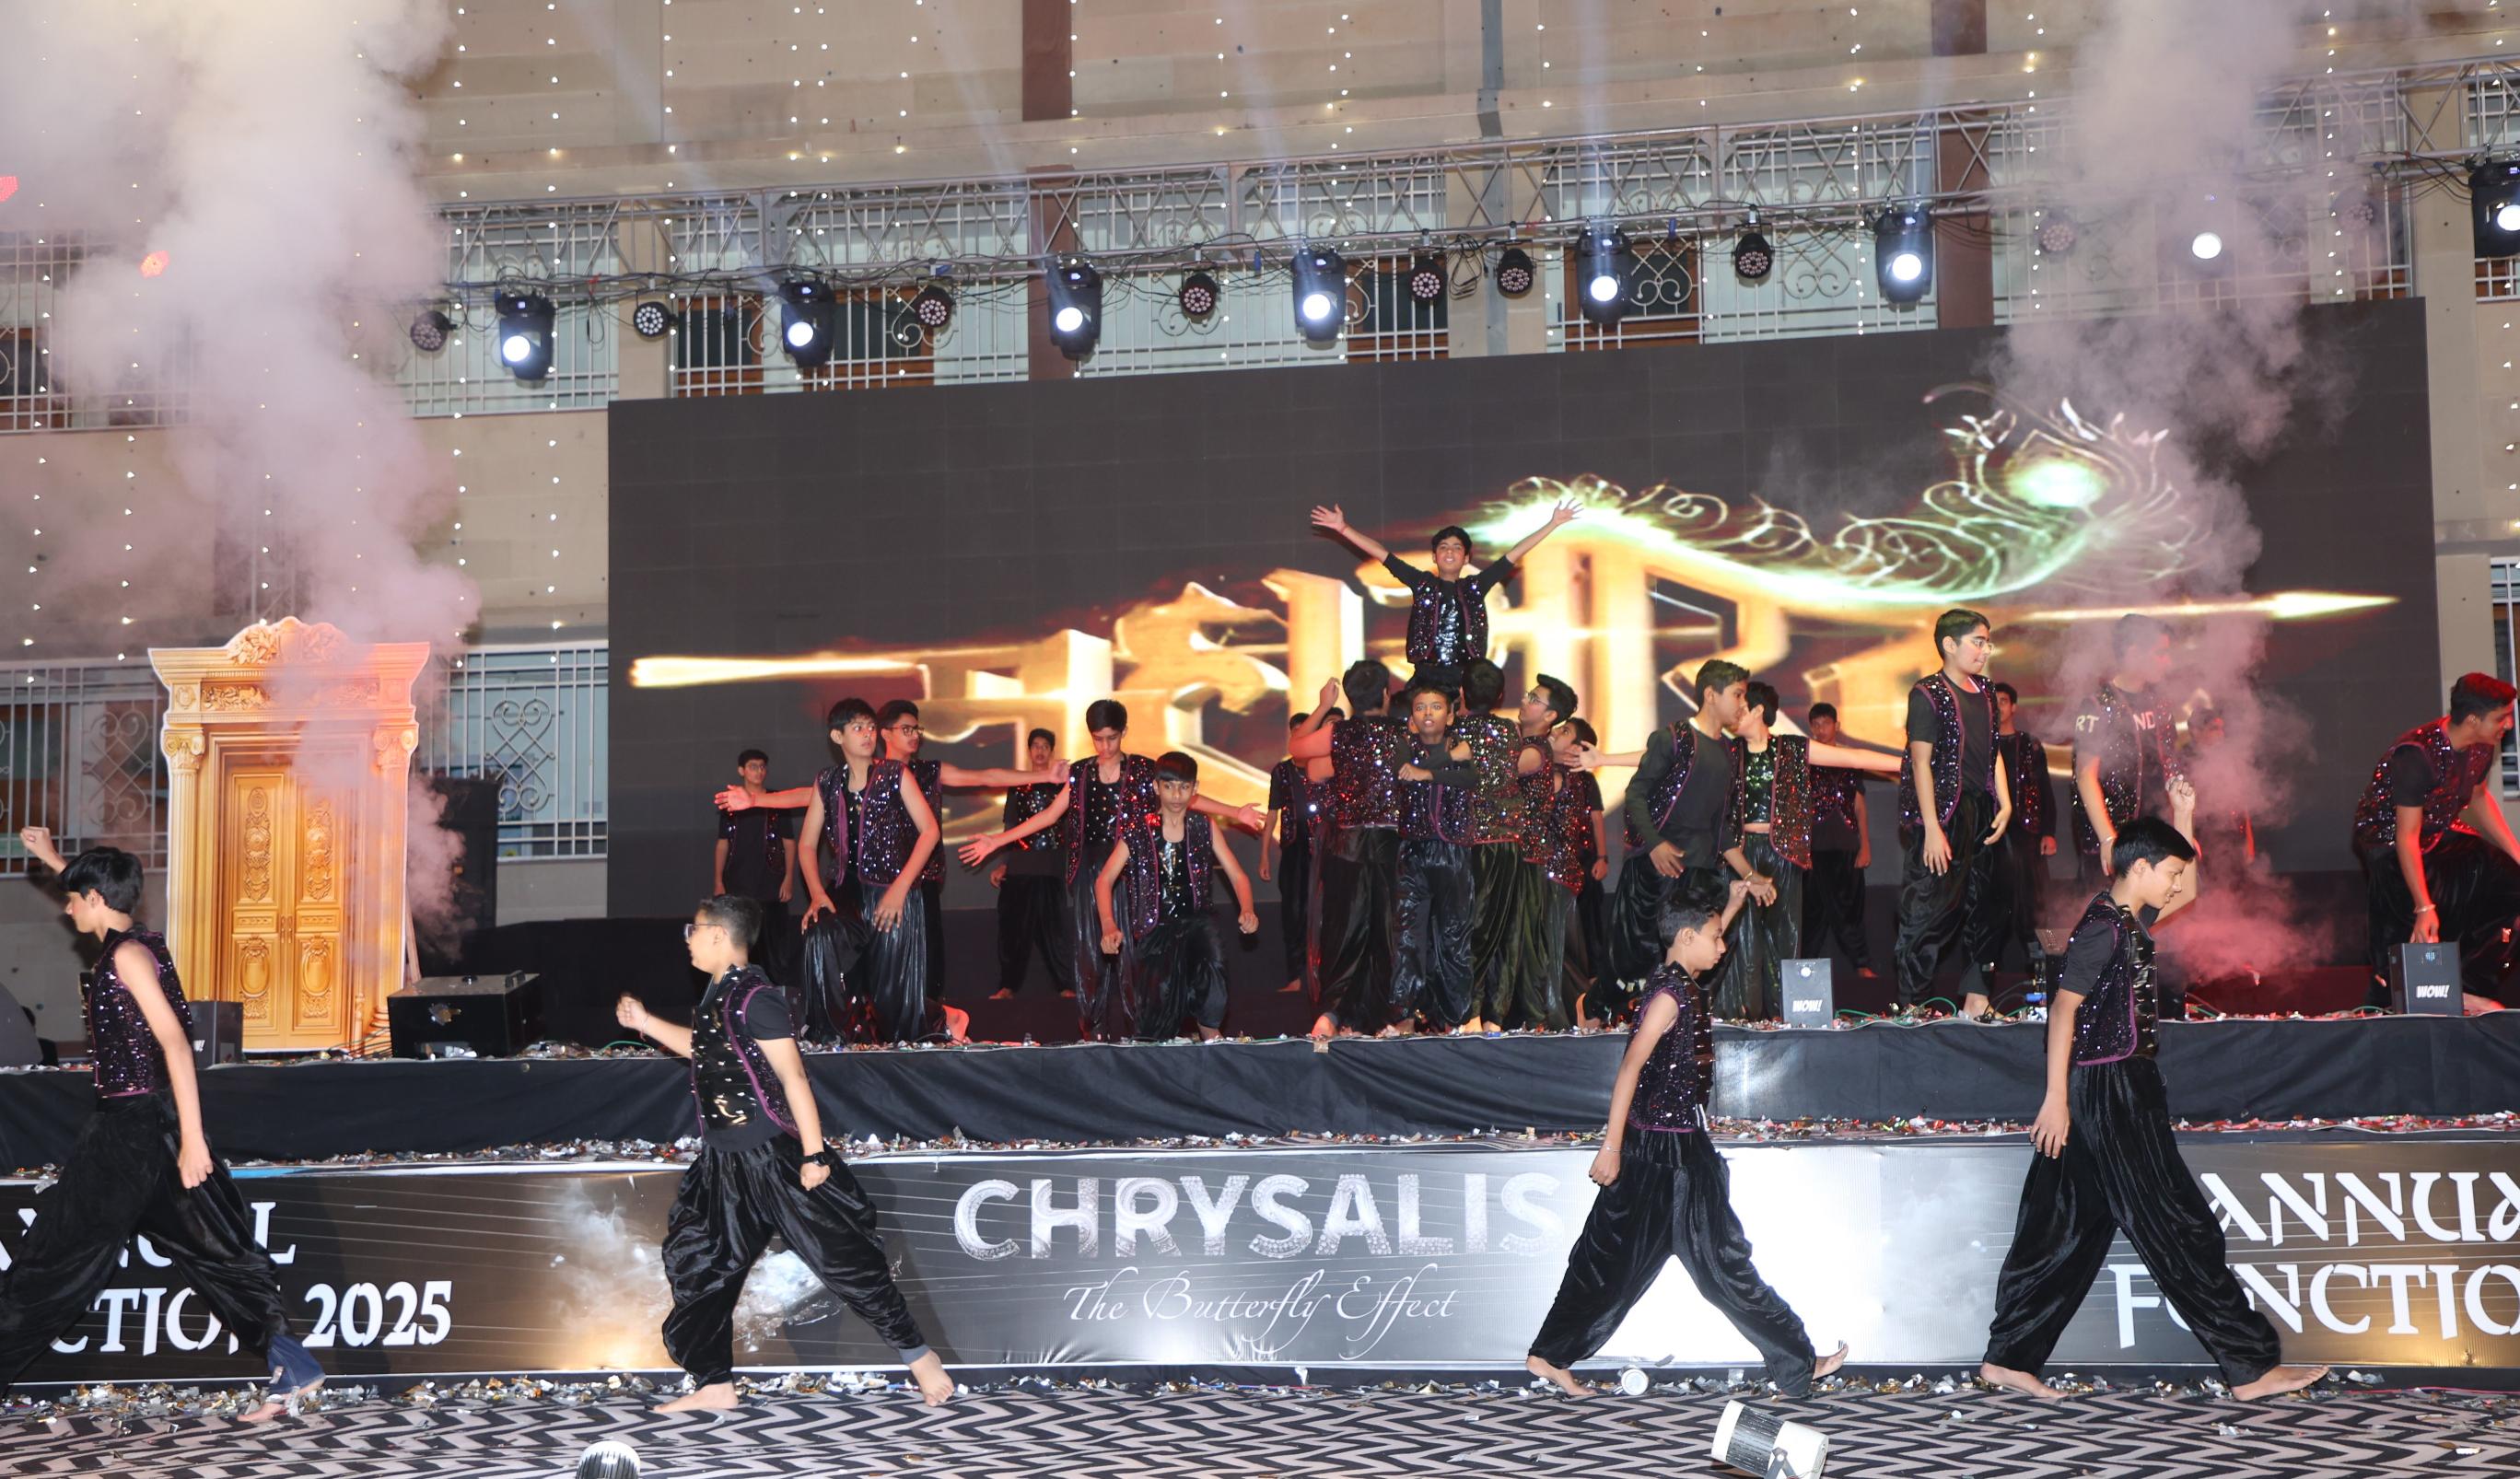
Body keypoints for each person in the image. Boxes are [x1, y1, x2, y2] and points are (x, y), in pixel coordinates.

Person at [1978, 809, 2328, 1403]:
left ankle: (2008, 1359)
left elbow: (2188, 892)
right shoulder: (2102, 929)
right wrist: (2056, 1100)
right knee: (2179, 1225)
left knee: (2062, 1229)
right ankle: (2249, 1367)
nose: (2174, 884)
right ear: (2139, 868)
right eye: (2167, 872)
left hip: (2115, 1088)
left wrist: (2184, 818)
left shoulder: (2126, 917)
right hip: (2109, 1093)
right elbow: (2062, 1011)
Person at [2, 830, 323, 1421]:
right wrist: (51, 858)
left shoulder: (125, 956)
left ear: (96, 899)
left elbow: (175, 1044)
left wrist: (194, 1141)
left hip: (130, 1132)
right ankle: (292, 1363)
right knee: (219, 1251)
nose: (67, 909)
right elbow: (93, 888)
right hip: (154, 1127)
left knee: (52, 1262)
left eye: (73, 898)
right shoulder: (142, 941)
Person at [615, 895, 954, 1414]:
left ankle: (920, 1358)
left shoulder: (756, 998)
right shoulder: (717, 994)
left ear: (719, 935)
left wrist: (814, 1156)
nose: (687, 939)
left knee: (843, 1257)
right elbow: (704, 1051)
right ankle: (715, 1383)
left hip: (773, 1158)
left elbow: (794, 1077)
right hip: (724, 1163)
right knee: (699, 1265)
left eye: (693, 929)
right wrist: (645, 1021)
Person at [1525, 875, 1849, 1399]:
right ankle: (1549, 1355)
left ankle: (1796, 1361)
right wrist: (1611, 1148)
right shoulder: (1666, 998)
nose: (1723, 948)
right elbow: (1629, 1069)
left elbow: (1703, 942)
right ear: (1686, 938)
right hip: (1653, 1156)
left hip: (1684, 1151)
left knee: (1721, 1262)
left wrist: (1733, 904)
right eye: (1716, 937)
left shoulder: (1682, 982)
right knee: (1611, 1263)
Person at [956, 700, 1261, 1042]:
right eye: (1098, 739)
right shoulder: (1081, 773)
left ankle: (1141, 1033)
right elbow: (1049, 816)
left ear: (1124, 733)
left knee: (1134, 955)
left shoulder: (1144, 770)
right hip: (1092, 869)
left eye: (1111, 738)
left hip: (1135, 871)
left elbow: (1185, 796)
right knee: (1092, 953)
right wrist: (997, 841)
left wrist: (1236, 812)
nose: (1105, 746)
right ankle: (1093, 1034)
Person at [1593, 659, 1770, 997]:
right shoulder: (1673, 739)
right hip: (1656, 874)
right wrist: (1655, 843)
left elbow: (1721, 827)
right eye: (1737, 694)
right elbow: (1636, 794)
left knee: (1705, 958)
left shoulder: (1729, 752)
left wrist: (1751, 876)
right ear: (1711, 695)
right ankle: (1595, 1010)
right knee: (1635, 967)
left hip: (1700, 874)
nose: (1743, 704)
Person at [872, 700, 1068, 1001]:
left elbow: (987, 777)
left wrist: (1045, 776)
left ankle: (930, 1021)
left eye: (917, 729)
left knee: (928, 960)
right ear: (886, 733)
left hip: (923, 881)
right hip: (879, 884)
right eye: (906, 729)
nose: (914, 735)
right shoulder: (870, 774)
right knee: (882, 962)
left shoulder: (930, 771)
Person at [1727, 683, 1900, 1019]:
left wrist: (1912, 762)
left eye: (1741, 705)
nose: (1733, 713)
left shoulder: (1790, 749)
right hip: (1741, 854)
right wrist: (1614, 759)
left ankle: (1782, 1016)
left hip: (1784, 853)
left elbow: (1854, 758)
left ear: (1758, 711)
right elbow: (1676, 756)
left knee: (1786, 936)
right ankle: (1745, 1017)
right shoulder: (1727, 751)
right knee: (1745, 940)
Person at [2349, 672, 2520, 1006]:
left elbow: (2478, 796)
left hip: (2437, 831)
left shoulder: (2481, 745)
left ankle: (2469, 986)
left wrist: (2515, 852)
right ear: (2473, 720)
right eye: (2502, 717)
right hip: (2389, 843)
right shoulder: (2417, 755)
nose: (2509, 725)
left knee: (2510, 882)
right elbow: (2407, 836)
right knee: (2412, 925)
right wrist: (2424, 906)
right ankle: (2396, 1000)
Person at [788, 699, 954, 1043]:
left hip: (893, 892)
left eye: (870, 727)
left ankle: (939, 1020)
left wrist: (899, 890)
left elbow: (929, 832)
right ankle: (829, 1040)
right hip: (845, 892)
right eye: (857, 728)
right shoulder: (827, 781)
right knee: (820, 937)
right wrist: (817, 894)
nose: (867, 734)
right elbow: (806, 845)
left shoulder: (895, 774)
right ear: (838, 736)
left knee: (891, 1002)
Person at [1309, 501, 1581, 694]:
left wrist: (1553, 523)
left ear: (1466, 558)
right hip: (1426, 677)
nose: (1450, 552)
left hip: (1465, 679)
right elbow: (1382, 554)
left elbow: (1515, 553)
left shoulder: (1476, 586)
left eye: (1456, 548)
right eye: (1443, 547)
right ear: (1434, 556)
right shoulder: (1422, 583)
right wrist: (1342, 528)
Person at [1895, 610, 2012, 1019]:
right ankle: (1913, 1006)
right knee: (1929, 911)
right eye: (1977, 642)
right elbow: (1920, 762)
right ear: (1949, 644)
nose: (1985, 651)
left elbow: (1994, 752)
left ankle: (1977, 999)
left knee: (1990, 905)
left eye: (1987, 643)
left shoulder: (1987, 690)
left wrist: (2005, 801)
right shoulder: (1927, 693)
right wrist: (1931, 827)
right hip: (1945, 813)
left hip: (1984, 810)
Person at [1097, 752, 1260, 1041]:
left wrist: (1247, 908)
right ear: (1156, 787)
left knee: (1212, 968)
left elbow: (1238, 876)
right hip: (1156, 927)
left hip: (1198, 921)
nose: (1176, 795)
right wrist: (1109, 924)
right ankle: (1158, 1050)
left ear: (1195, 789)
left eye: (1184, 787)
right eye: (1169, 786)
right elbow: (1105, 879)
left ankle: (1210, 1035)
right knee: (1157, 1006)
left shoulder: (1204, 826)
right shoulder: (1138, 830)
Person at [1286, 661, 1409, 1038]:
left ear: (1352, 698)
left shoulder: (1339, 732)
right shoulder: (1405, 732)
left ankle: (1335, 1014)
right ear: (1386, 694)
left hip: (1348, 845)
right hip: (1391, 844)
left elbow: (1296, 749)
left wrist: (1323, 706)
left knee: (1346, 930)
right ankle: (1391, 1016)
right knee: (1390, 931)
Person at [1452, 659, 1550, 1031]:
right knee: (1504, 928)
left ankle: (1469, 1012)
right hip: (1507, 842)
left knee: (1468, 927)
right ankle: (1494, 1015)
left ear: (1462, 694)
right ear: (1499, 696)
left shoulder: (1454, 732)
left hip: (1467, 842)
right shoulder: (1509, 731)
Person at [1392, 681, 1479, 1032]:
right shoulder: (1404, 745)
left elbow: (1469, 778)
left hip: (1453, 851)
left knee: (1454, 934)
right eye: (1420, 707)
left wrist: (1427, 772)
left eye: (1436, 707)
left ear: (1451, 715)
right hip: (1413, 852)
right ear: (1412, 718)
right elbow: (1404, 773)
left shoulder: (1463, 747)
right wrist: (1446, 761)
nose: (1428, 713)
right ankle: (1405, 1015)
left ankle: (1454, 1017)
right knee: (1408, 933)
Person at [2071, 614, 2183, 884]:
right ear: (2134, 653)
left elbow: (2170, 765)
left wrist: (2181, 830)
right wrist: (2108, 838)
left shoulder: (2160, 703)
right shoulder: (2098, 705)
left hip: (2155, 835)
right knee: (2112, 908)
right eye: (2160, 653)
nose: (2168, 662)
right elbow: (2085, 775)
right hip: (2115, 836)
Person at [989, 728, 1069, 1000]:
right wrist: (1004, 864)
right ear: (1029, 751)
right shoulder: (1018, 785)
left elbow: (1069, 828)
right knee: (1013, 929)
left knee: (1054, 930)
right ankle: (1007, 986)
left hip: (1050, 865)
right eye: (1035, 746)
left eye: (1045, 746)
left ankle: (1065, 986)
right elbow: (1011, 826)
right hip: (1020, 866)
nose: (1040, 751)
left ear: (1052, 751)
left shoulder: (1062, 787)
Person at [1801, 704, 1877, 983]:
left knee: (1850, 910)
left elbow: (1859, 806)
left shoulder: (1849, 759)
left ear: (1837, 725)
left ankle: (1861, 964)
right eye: (1816, 724)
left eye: (1826, 723)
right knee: (1812, 912)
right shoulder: (1805, 761)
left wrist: (1865, 845)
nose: (1821, 729)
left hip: (1846, 844)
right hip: (1814, 848)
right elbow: (1799, 807)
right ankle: (1804, 969)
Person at [1539, 716, 1608, 1025]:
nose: (1555, 732)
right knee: (1559, 945)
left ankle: (1582, 1008)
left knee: (1558, 946)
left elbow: (1596, 819)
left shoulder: (1564, 778)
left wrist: (1603, 856)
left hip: (1557, 873)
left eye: (1565, 731)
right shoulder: (1553, 772)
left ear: (1578, 748)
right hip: (1558, 872)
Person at [1261, 711, 1336, 995]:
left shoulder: (1326, 765)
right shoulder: (1282, 771)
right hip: (1293, 849)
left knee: (1326, 910)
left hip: (1325, 848)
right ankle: (1295, 976)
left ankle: (1326, 976)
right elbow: (1272, 812)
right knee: (1293, 912)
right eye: (1296, 732)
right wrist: (1264, 854)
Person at [1991, 683, 2060, 974]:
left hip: (2027, 832)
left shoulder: (2030, 745)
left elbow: (2045, 789)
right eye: (1993, 702)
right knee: (1995, 898)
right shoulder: (1983, 744)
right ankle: (1989, 965)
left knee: (2034, 899)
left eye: (2003, 701)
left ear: (2014, 707)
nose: (1998, 707)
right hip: (1994, 833)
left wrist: (2049, 832)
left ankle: (2041, 964)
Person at [715, 748, 798, 984]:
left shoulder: (776, 801)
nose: (759, 771)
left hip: (771, 886)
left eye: (762, 767)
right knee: (740, 946)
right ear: (741, 770)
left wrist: (788, 878)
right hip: (739, 886)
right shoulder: (731, 803)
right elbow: (722, 844)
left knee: (775, 948)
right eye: (753, 766)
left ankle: (776, 993)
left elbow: (789, 844)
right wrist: (718, 881)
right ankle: (740, 993)